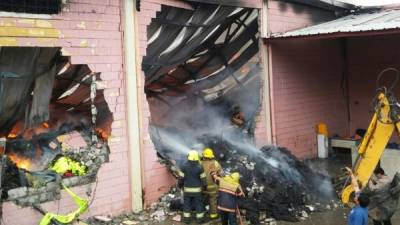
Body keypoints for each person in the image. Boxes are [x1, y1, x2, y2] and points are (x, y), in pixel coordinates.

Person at [178, 150, 207, 224]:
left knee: (187, 204)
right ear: (197, 157)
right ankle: (199, 220)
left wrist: (180, 186)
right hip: (197, 191)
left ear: (188, 157)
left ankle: (187, 220)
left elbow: (181, 178)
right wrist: (205, 187)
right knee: (199, 204)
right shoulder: (200, 167)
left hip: (187, 190)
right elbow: (203, 179)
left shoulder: (183, 166)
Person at [201, 148, 223, 220]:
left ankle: (202, 213)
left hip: (202, 187)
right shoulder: (215, 163)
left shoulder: (200, 163)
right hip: (213, 187)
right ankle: (213, 215)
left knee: (202, 200)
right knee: (213, 200)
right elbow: (221, 174)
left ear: (204, 156)